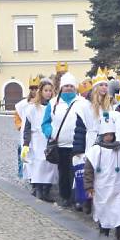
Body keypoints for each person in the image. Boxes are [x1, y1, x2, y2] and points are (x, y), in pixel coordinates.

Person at [84, 117, 120, 240]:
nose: (109, 137)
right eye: (106, 134)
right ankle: (104, 230)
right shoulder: (95, 151)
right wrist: (89, 186)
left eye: (111, 134)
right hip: (102, 187)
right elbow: (88, 170)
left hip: (119, 186)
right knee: (104, 209)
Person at [42, 72, 88, 209]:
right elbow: (45, 122)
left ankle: (77, 199)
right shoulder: (53, 103)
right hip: (60, 145)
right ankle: (65, 197)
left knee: (77, 172)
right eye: (66, 86)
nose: (68, 88)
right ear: (61, 87)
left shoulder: (83, 103)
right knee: (63, 173)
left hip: (77, 144)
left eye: (71, 86)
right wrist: (49, 132)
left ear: (75, 88)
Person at [73, 71, 114, 214]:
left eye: (106, 85)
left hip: (106, 143)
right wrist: (78, 149)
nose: (104, 88)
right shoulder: (85, 107)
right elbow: (79, 129)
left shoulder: (110, 106)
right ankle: (87, 200)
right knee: (89, 173)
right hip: (91, 142)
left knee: (104, 173)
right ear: (96, 88)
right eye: (101, 85)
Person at [21, 78, 57, 202]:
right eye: (46, 90)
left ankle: (47, 190)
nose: (48, 93)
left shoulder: (54, 107)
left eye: (50, 91)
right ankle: (38, 188)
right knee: (38, 164)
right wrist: (26, 143)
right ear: (40, 91)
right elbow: (27, 127)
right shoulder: (32, 108)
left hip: (49, 138)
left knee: (50, 164)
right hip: (37, 139)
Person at [14, 77, 39, 184]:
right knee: (27, 156)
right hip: (26, 134)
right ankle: (29, 176)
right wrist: (20, 126)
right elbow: (17, 117)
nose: (34, 91)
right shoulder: (22, 104)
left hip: (38, 134)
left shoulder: (42, 103)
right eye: (32, 88)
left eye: (36, 88)